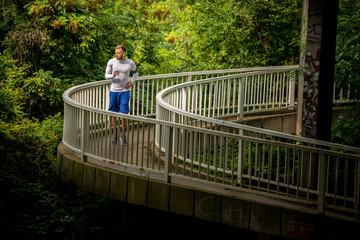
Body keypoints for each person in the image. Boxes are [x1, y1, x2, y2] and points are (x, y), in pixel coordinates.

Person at [105, 45, 139, 144]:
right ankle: (114, 134)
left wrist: (132, 82)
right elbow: (106, 76)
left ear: (124, 53)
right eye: (116, 52)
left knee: (124, 114)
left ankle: (123, 135)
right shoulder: (111, 62)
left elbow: (136, 72)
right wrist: (112, 75)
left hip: (124, 91)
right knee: (113, 113)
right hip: (113, 91)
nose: (117, 54)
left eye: (119, 53)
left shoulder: (130, 63)